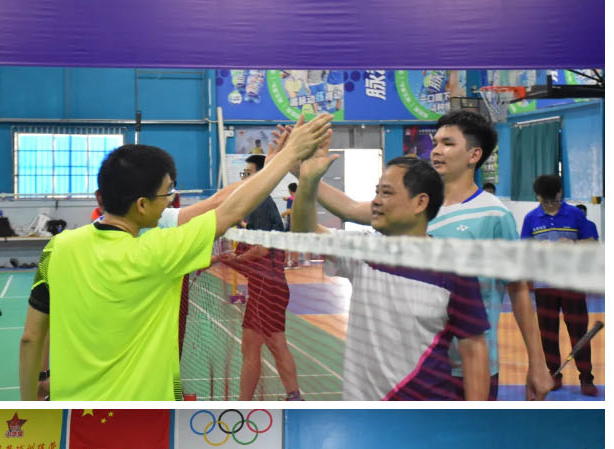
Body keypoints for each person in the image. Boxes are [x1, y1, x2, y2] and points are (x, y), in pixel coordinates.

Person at [19, 115, 331, 401]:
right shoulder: (163, 250)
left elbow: (31, 338)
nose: (170, 199)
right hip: (147, 420)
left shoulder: (57, 247)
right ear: (142, 205)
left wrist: (33, 396)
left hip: (73, 416)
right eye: (167, 192)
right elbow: (230, 210)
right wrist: (290, 156)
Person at [291, 149, 490, 401]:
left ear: (420, 203)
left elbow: (473, 348)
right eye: (376, 192)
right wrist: (308, 180)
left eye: (386, 193)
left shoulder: (454, 269)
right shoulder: (363, 250)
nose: (375, 201)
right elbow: (304, 233)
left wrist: (476, 415)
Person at [428, 111, 554, 399]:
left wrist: (537, 364)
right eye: (435, 143)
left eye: (448, 143)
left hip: (473, 367)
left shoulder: (495, 215)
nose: (436, 150)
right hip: (422, 365)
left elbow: (518, 291)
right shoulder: (420, 208)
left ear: (474, 155)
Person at [231, 152, 302, 401]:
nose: (245, 178)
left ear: (262, 175)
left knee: (274, 344)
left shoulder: (261, 203)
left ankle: (293, 396)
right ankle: (248, 401)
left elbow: (262, 249)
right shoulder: (258, 203)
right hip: (265, 285)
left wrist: (235, 259)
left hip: (267, 287)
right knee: (252, 346)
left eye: (249, 173)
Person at [521, 173, 597, 394]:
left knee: (578, 331)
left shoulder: (575, 214)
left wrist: (572, 245)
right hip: (544, 286)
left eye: (554, 200)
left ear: (561, 193)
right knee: (548, 333)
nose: (550, 205)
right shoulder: (531, 218)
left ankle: (586, 377)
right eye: (545, 201)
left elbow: (592, 244)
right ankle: (554, 374)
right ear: (537, 197)